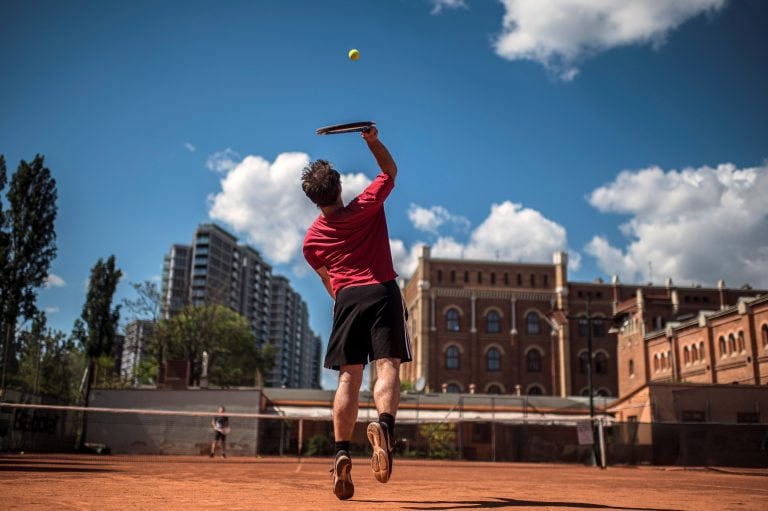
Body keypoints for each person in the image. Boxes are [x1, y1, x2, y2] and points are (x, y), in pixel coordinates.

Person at [301, 125, 411, 500]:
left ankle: (341, 452)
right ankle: (384, 426)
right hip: (382, 290)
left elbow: (328, 281)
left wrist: (342, 299)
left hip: (347, 299)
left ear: (314, 199)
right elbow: (390, 172)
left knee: (349, 377)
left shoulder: (312, 239)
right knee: (388, 365)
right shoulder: (366, 206)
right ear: (339, 189)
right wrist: (372, 139)